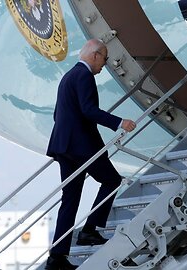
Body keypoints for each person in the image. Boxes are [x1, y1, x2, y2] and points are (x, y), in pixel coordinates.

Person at [45, 39, 136, 269]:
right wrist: (119, 123)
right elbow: (88, 110)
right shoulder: (84, 76)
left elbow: (58, 114)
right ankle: (90, 229)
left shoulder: (68, 77)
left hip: (63, 147)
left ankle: (57, 257)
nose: (104, 65)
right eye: (104, 59)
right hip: (81, 147)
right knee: (113, 180)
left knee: (70, 198)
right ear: (95, 55)